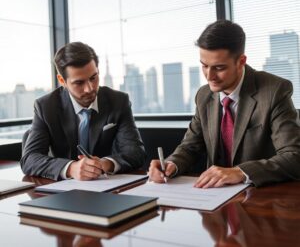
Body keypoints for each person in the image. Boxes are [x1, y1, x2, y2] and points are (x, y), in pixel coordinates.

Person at [149, 20, 300, 187]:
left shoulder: (274, 90)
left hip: (258, 195)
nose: (209, 76)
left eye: (219, 68)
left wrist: (240, 172)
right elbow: (190, 146)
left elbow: (294, 156)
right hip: (213, 196)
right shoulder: (203, 95)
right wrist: (172, 164)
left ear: (241, 61)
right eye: (204, 66)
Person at [20, 42, 146, 180]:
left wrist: (105, 164)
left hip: (108, 186)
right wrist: (71, 168)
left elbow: (136, 153)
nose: (90, 88)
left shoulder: (118, 101)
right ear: (62, 80)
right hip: (64, 193)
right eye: (79, 83)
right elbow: (29, 159)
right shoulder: (46, 106)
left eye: (93, 78)